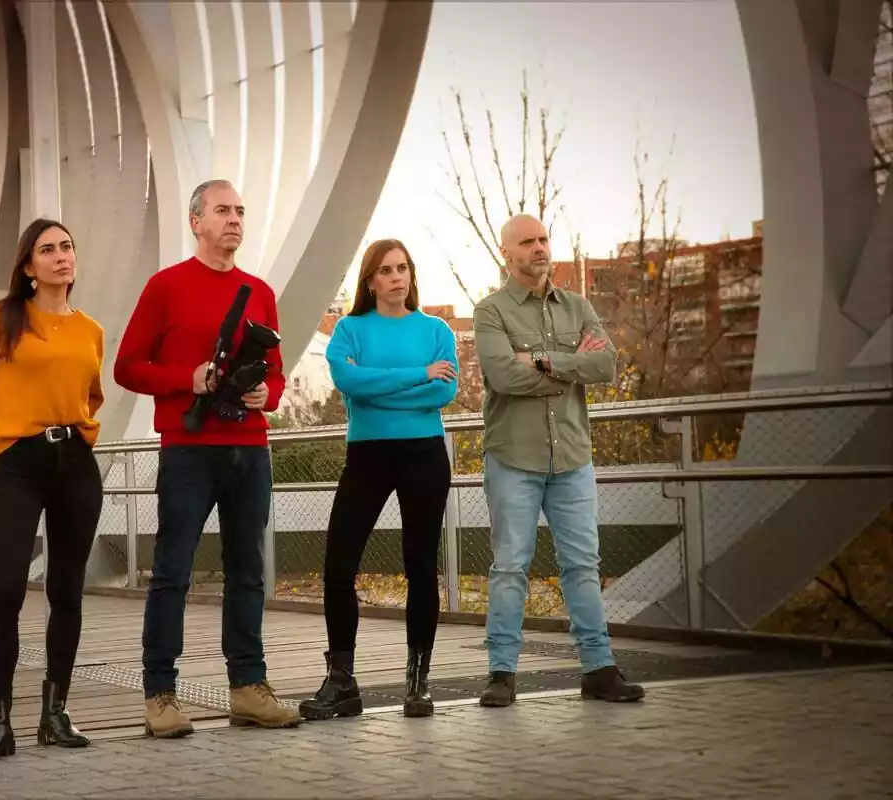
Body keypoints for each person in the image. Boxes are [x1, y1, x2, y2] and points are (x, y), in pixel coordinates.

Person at [114, 178, 302, 737]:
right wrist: (187, 380)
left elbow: (275, 372)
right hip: (189, 450)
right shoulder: (165, 287)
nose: (235, 220)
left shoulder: (260, 291)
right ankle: (161, 696)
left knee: (249, 571)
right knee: (172, 572)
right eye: (223, 211)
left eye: (240, 211)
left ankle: (248, 688)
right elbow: (127, 366)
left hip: (250, 448)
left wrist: (269, 393)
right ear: (196, 221)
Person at [0, 219, 107, 762]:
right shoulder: (1, 320)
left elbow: (93, 395)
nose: (61, 256)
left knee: (67, 591)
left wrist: (82, 431)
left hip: (75, 465)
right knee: (7, 590)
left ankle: (55, 714)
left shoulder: (91, 330)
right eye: (47, 249)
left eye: (67, 246)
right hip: (18, 463)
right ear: (28, 266)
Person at [473, 213, 645, 707]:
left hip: (572, 458)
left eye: (543, 239)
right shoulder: (491, 312)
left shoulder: (578, 307)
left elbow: (606, 364)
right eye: (527, 243)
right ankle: (501, 674)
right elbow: (504, 377)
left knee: (582, 566)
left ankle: (598, 669)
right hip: (514, 459)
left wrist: (545, 361)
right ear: (507, 253)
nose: (539, 249)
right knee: (510, 567)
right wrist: (572, 368)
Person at [298, 240, 457, 721]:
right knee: (339, 567)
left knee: (420, 566)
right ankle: (343, 683)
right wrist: (418, 377)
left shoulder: (436, 329)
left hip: (424, 455)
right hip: (366, 457)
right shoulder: (349, 329)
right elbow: (351, 385)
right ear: (370, 281)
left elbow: (443, 392)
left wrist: (381, 387)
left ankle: (418, 683)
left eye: (402, 268)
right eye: (385, 270)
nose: (396, 277)